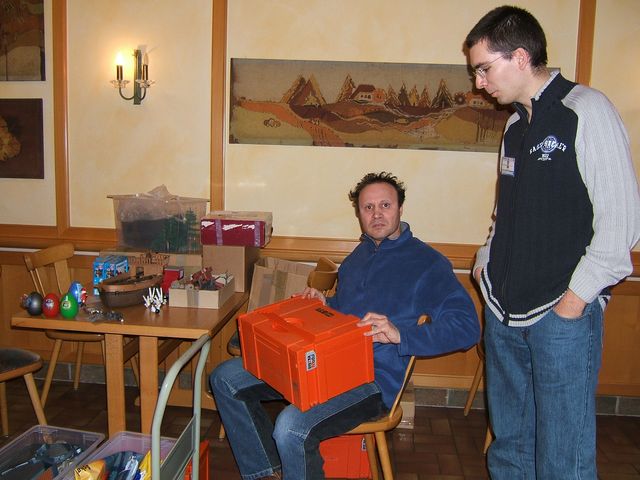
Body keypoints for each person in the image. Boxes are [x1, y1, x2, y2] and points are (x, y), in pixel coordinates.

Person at [209, 171, 480, 479]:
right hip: (325, 363)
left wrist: (400, 334)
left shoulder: (428, 263)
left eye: (385, 205)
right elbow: (345, 308)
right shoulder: (359, 255)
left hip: (372, 381)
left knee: (290, 427)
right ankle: (265, 473)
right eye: (368, 207)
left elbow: (467, 327)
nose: (377, 214)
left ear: (401, 209)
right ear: (359, 214)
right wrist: (323, 304)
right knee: (225, 378)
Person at [465, 6, 640, 479]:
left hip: (561, 318)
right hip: (502, 314)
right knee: (510, 451)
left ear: (521, 57)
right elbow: (504, 216)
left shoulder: (587, 110)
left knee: (564, 460)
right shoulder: (514, 126)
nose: (479, 83)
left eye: (484, 68)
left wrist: (572, 304)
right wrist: (484, 262)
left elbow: (622, 226)